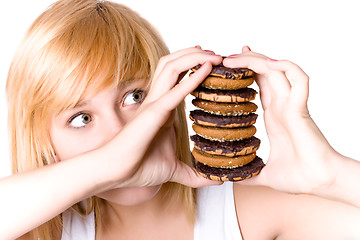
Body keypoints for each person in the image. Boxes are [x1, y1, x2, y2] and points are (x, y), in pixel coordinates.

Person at [1, 0, 360, 239]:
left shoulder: (251, 210)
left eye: (135, 97)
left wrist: (328, 174)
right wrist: (108, 164)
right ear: (46, 145)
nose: (122, 134)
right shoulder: (43, 227)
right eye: (81, 118)